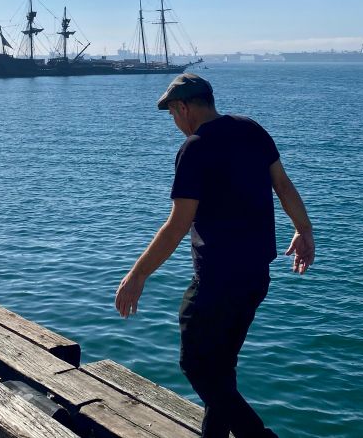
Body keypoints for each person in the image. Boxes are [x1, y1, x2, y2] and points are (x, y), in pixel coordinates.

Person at [115, 73, 315, 438]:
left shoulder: (196, 146)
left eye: (173, 114)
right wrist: (304, 230)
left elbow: (178, 225)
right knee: (221, 369)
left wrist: (137, 274)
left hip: (217, 281)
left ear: (183, 107)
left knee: (196, 366)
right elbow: (283, 186)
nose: (174, 123)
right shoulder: (252, 130)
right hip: (255, 277)